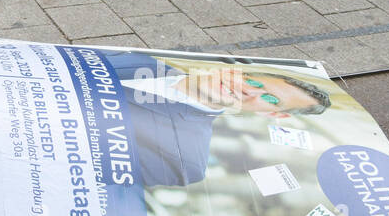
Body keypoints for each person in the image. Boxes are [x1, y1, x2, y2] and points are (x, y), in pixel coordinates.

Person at [108, 51, 330, 187]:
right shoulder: (139, 60)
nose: (248, 92)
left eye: (270, 99)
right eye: (254, 83)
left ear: (271, 114)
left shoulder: (184, 160)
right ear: (241, 73)